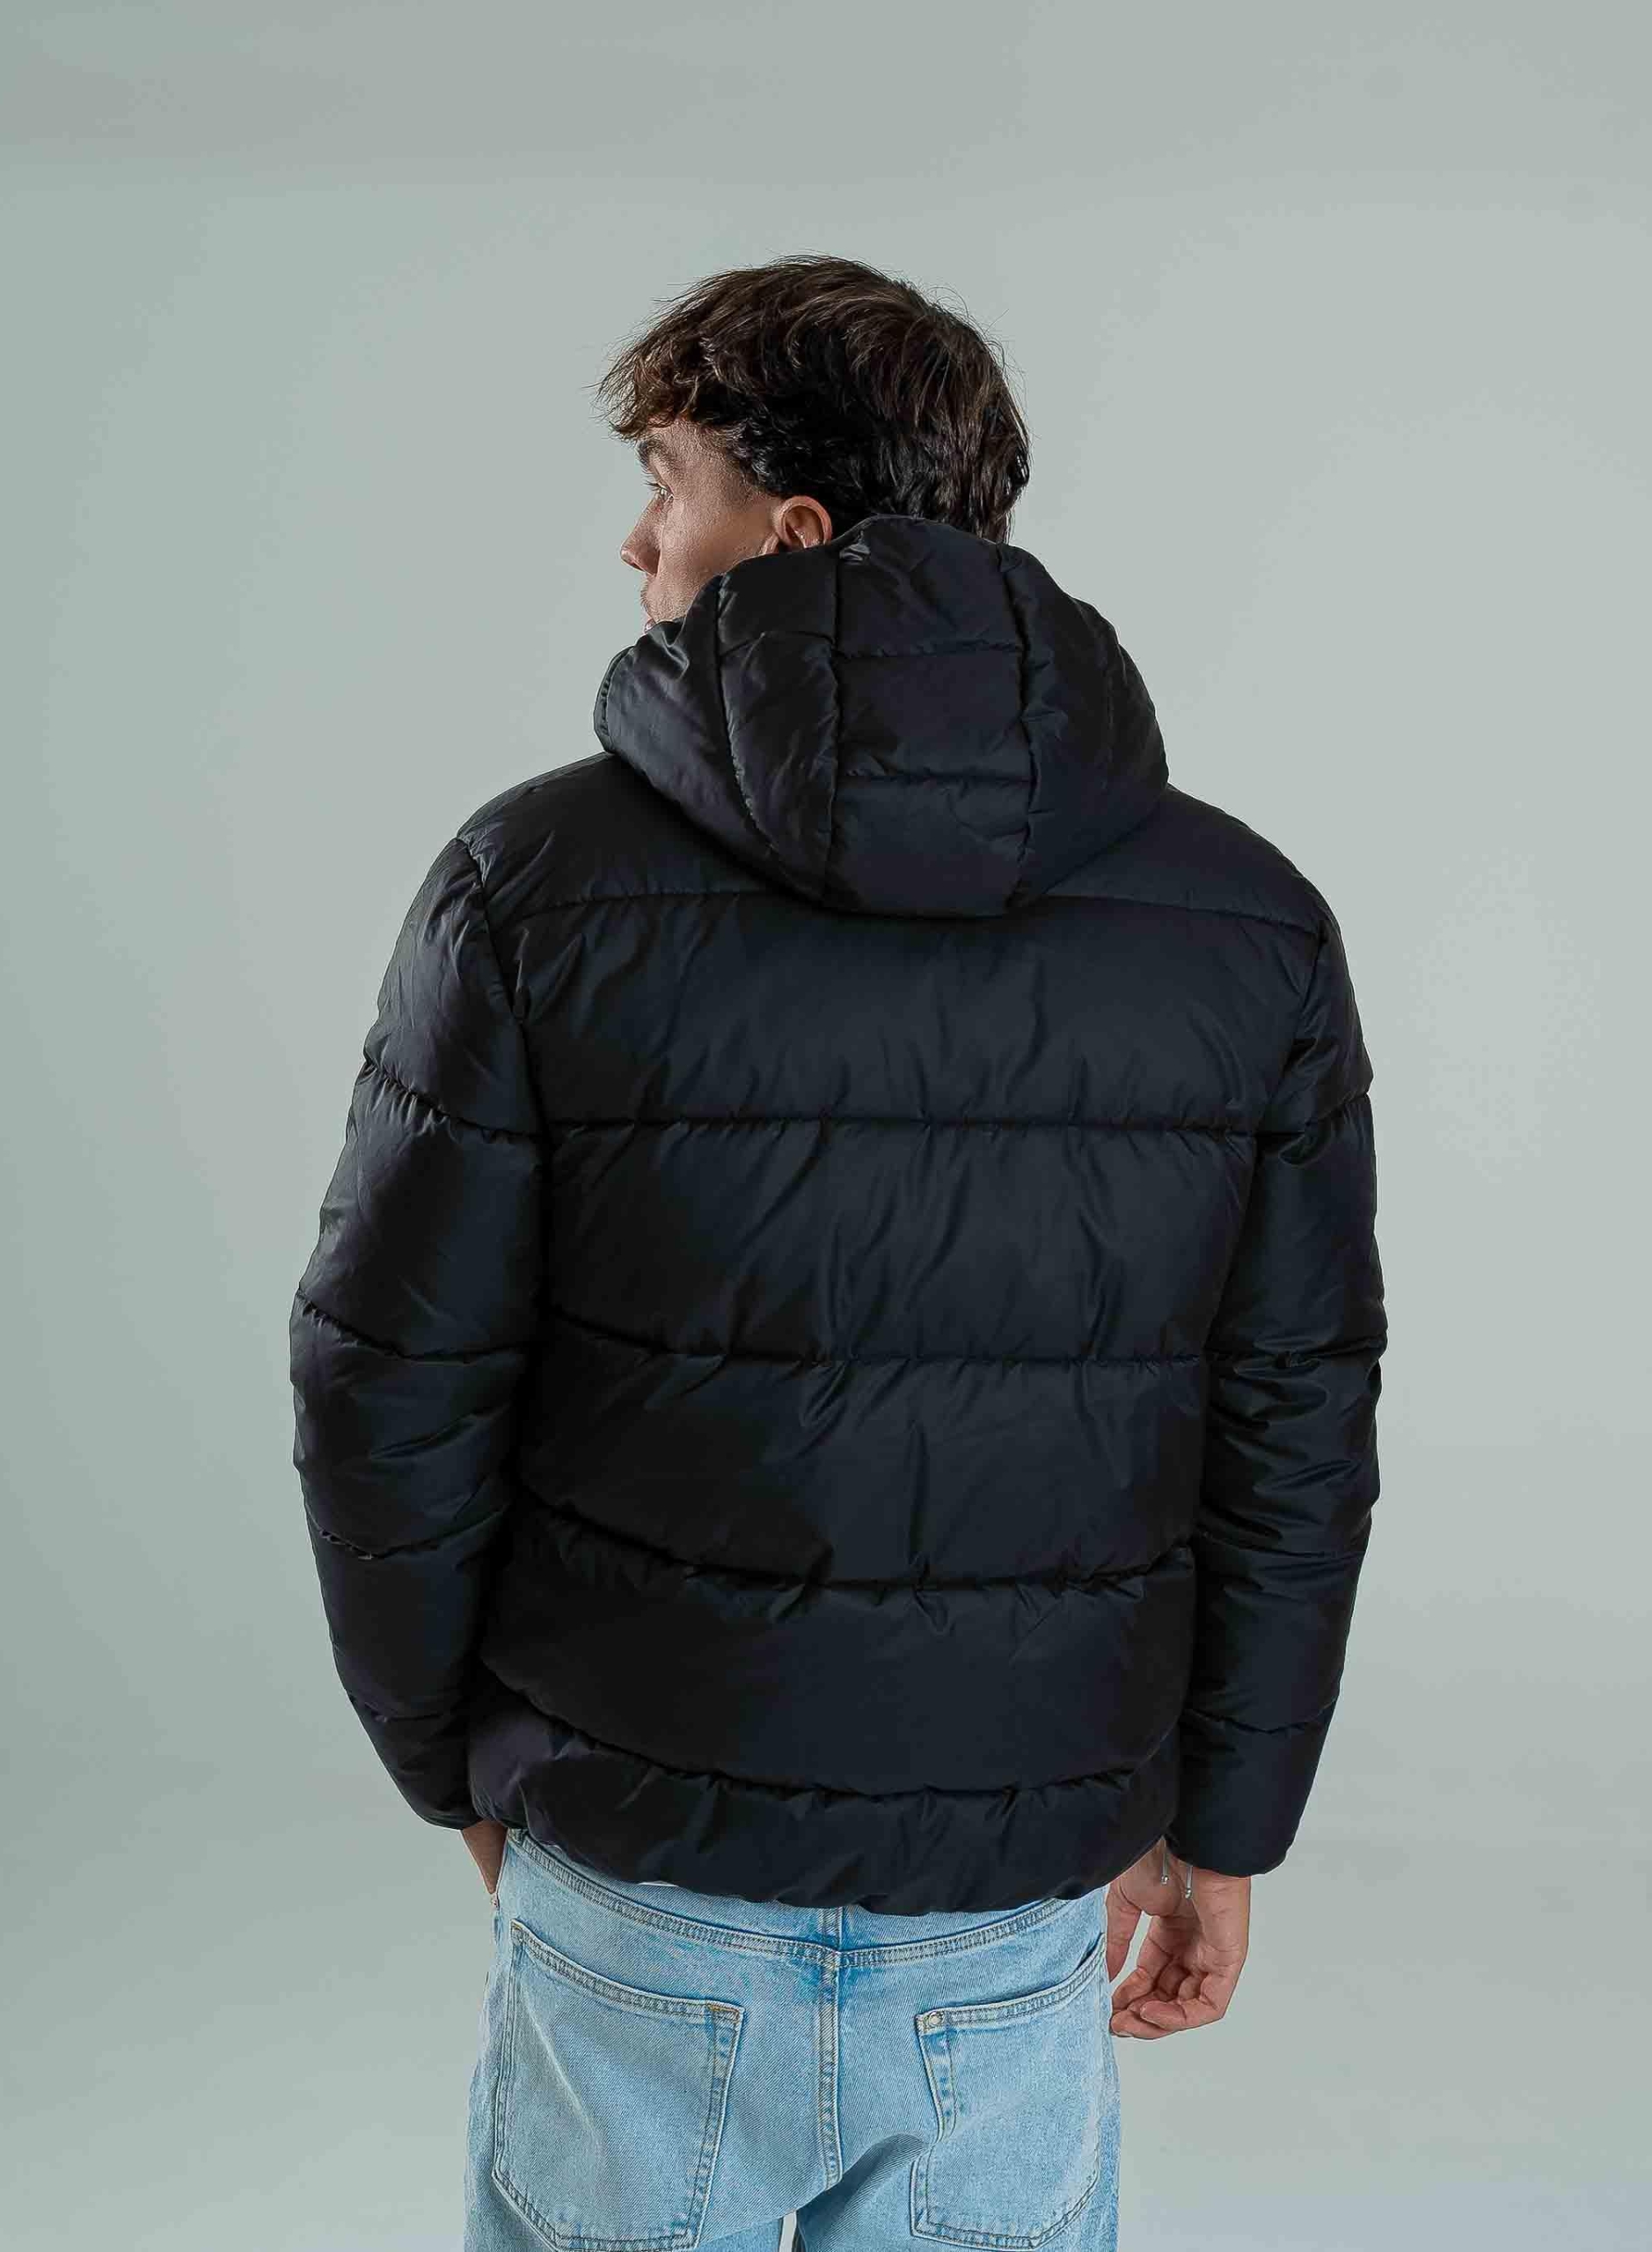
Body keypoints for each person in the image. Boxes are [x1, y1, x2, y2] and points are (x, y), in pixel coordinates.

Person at [289, 253, 1386, 2252]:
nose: (638, 540)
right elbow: (1293, 1420)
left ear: (791, 534)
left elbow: (392, 1379)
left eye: (668, 482)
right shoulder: (1248, 923)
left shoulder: (529, 886)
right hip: (1013, 1902)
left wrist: (463, 1767)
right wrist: (1226, 1824)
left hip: (642, 1869)